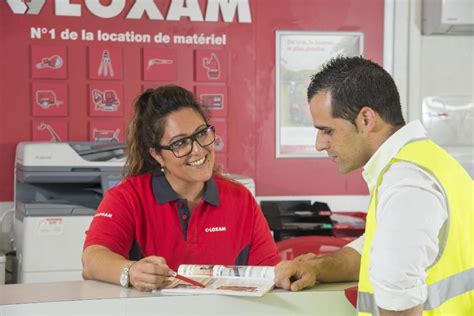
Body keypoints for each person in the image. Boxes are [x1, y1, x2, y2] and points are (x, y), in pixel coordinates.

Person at [274, 56, 473, 315]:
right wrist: (317, 268)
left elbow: (398, 302)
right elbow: (377, 248)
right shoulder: (430, 162)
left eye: (327, 131)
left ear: (366, 119)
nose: (319, 144)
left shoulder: (406, 184)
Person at [82, 85, 280, 291]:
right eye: (180, 143)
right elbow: (92, 260)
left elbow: (269, 271)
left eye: (202, 133)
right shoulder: (126, 198)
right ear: (157, 155)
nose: (198, 149)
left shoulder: (241, 199)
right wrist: (131, 271)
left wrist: (293, 271)